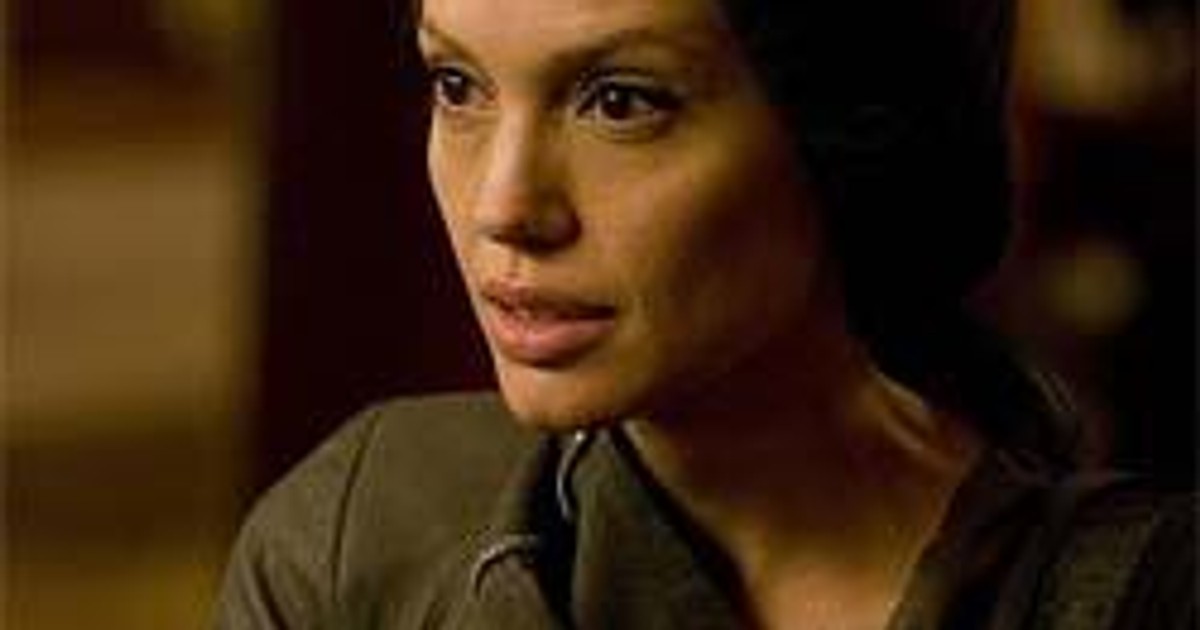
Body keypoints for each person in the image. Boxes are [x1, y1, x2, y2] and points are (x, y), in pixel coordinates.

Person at [215, 0, 1195, 627]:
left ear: (850, 133)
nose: (503, 206)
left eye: (621, 102)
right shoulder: (360, 541)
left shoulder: (1138, 590)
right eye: (458, 86)